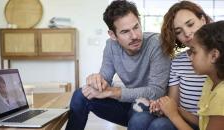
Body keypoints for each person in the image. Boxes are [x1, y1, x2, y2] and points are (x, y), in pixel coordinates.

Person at [65, 0, 171, 130]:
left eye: (136, 27)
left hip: (152, 106)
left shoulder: (156, 44)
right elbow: (105, 78)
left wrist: (113, 91)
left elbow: (156, 92)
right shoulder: (111, 45)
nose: (135, 36)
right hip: (128, 103)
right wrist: (97, 81)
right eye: (125, 32)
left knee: (139, 119)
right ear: (112, 35)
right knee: (80, 95)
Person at [134, 1, 212, 129]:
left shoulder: (218, 59)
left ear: (203, 20)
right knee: (146, 120)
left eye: (190, 24)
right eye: (178, 31)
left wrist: (174, 111)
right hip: (182, 119)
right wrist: (163, 106)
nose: (187, 33)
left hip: (208, 123)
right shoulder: (178, 61)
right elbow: (173, 103)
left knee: (158, 125)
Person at [159, 20, 224, 130]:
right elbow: (203, 122)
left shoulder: (221, 95)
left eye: (194, 52)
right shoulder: (210, 82)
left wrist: (173, 115)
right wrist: (175, 109)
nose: (190, 57)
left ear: (214, 55)